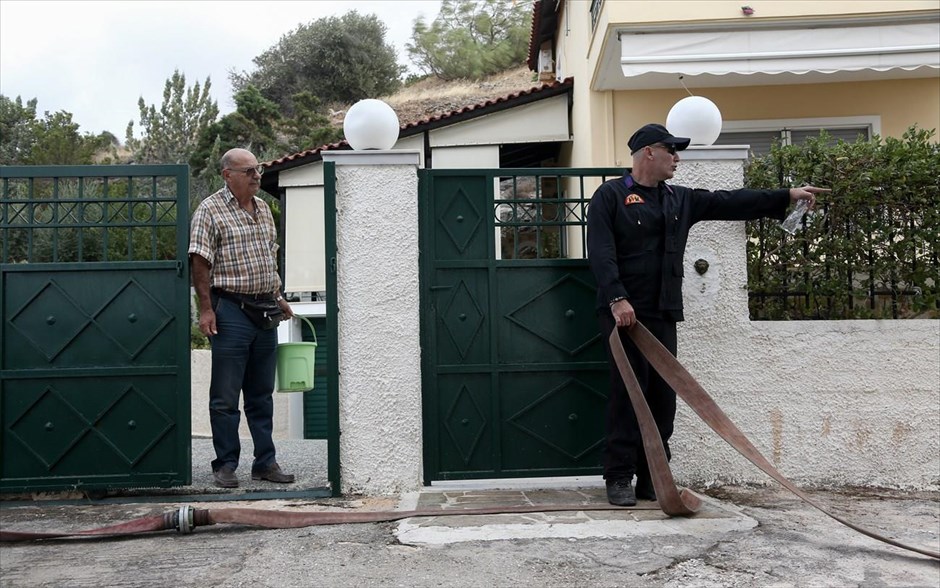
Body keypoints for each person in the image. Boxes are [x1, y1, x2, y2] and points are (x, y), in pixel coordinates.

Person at [586, 123, 829, 506]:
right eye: (672, 151)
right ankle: (618, 476)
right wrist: (617, 298)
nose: (677, 159)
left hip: (662, 311)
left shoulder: (679, 199)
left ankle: (655, 476)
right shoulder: (610, 196)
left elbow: (729, 201)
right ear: (649, 152)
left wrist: (786, 195)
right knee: (628, 394)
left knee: (663, 397)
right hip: (624, 314)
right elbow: (600, 252)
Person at [189, 148, 296, 488]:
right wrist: (206, 309)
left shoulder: (264, 209)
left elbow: (269, 257)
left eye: (257, 170)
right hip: (231, 309)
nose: (256, 175)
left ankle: (265, 463)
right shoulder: (209, 210)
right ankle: (225, 465)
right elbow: (200, 263)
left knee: (261, 393)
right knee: (225, 394)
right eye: (248, 170)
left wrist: (278, 296)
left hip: (265, 309)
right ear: (227, 175)